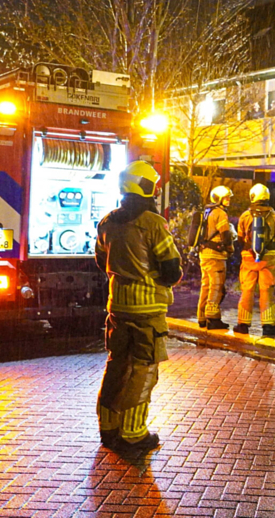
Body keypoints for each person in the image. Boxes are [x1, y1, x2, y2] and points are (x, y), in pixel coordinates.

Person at [95, 160, 182, 452]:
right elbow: (171, 271)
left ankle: (108, 429)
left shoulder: (107, 221)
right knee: (144, 372)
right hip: (147, 313)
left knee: (117, 367)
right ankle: (134, 433)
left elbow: (100, 260)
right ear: (145, 187)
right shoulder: (153, 223)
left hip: (117, 309)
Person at [235, 183, 275, 337]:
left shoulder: (245, 215)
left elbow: (240, 237)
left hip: (249, 257)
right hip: (268, 258)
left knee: (247, 290)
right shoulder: (274, 216)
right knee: (267, 291)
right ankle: (268, 325)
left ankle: (243, 324)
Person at [197, 186, 233, 330]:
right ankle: (212, 318)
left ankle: (201, 317)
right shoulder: (220, 213)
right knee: (216, 287)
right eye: (226, 197)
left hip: (204, 254)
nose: (228, 200)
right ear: (219, 198)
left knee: (206, 285)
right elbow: (226, 235)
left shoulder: (207, 211)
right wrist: (230, 248)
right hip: (216, 256)